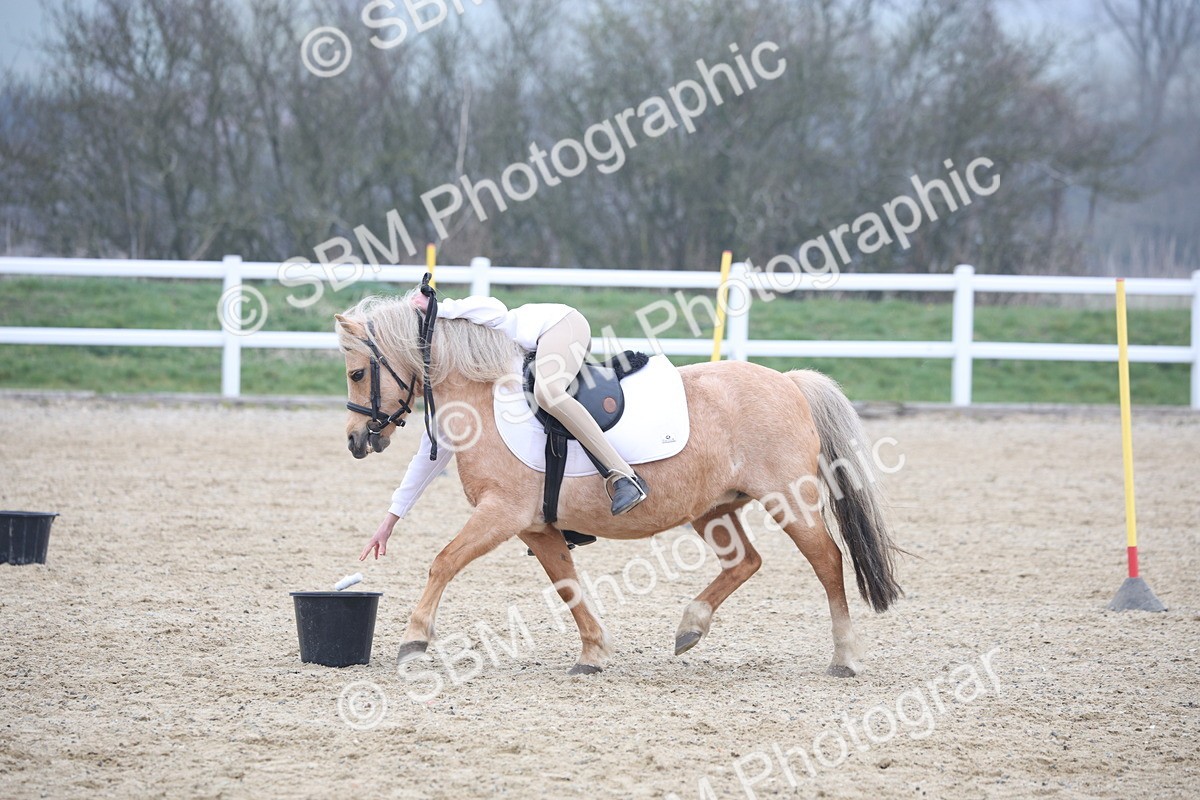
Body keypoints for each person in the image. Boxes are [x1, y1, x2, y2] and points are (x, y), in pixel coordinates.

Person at [359, 294, 649, 561]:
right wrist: (389, 522)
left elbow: (495, 307)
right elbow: (427, 459)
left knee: (549, 393)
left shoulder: (481, 329)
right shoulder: (462, 395)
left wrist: (440, 308)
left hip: (562, 325)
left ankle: (623, 476)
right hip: (539, 344)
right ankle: (567, 519)